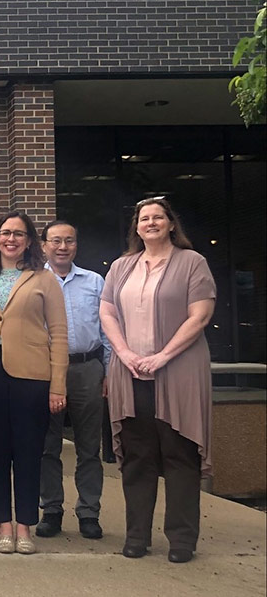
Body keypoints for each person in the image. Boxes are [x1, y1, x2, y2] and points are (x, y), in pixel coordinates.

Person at [100, 198, 215, 564]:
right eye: (144, 218)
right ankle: (137, 536)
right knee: (138, 456)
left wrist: (162, 357)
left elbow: (199, 316)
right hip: (129, 372)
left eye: (157, 217)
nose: (150, 223)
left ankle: (182, 540)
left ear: (170, 224)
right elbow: (107, 312)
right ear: (136, 227)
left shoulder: (192, 262)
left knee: (180, 455)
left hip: (178, 372)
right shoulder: (121, 266)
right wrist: (126, 354)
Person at [0, 211, 68, 556]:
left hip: (32, 377)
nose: (11, 239)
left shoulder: (44, 279)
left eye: (19, 234)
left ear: (29, 241)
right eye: (5, 233)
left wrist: (58, 385)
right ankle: (3, 526)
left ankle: (25, 527)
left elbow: (60, 334)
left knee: (28, 452)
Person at [37, 219, 111, 541]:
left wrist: (107, 371)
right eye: (56, 241)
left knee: (89, 447)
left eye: (68, 241)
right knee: (46, 446)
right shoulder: (33, 281)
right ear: (44, 245)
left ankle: (89, 512)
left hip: (86, 368)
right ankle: (51, 509)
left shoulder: (95, 282)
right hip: (44, 370)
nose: (62, 247)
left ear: (76, 245)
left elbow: (108, 330)